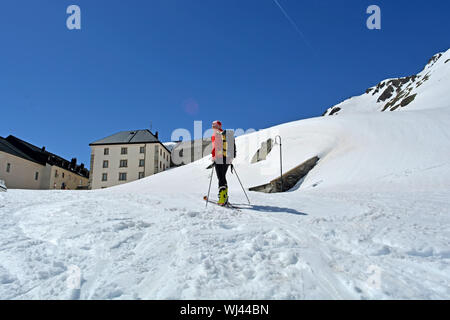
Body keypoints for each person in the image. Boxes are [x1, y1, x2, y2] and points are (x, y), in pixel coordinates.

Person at [211, 120, 234, 206]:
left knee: (220, 177)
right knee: (222, 177)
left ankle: (222, 197)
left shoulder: (216, 135)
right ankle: (224, 196)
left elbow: (215, 148)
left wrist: (214, 157)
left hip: (219, 158)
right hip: (227, 159)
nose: (213, 127)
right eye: (212, 125)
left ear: (219, 126)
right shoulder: (226, 135)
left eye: (214, 125)